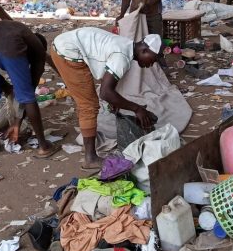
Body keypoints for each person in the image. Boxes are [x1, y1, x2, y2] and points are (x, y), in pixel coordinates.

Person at [50, 27, 161, 168]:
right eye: (153, 60)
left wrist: (115, 100)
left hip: (64, 44)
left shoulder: (126, 45)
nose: (151, 64)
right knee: (88, 106)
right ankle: (90, 159)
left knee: (89, 100)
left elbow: (107, 73)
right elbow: (105, 93)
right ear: (144, 50)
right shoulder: (122, 56)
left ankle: (88, 146)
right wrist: (137, 109)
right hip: (67, 52)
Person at [0, 21, 59, 158]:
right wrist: (17, 118)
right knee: (28, 97)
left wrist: (16, 123)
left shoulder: (19, 33)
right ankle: (43, 146)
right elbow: (28, 93)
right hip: (9, 46)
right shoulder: (37, 50)